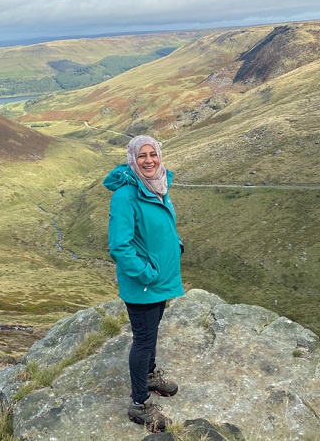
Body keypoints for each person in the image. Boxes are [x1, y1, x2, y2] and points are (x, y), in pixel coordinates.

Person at [103, 135, 184, 433]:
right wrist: (147, 274)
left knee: (151, 334)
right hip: (145, 284)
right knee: (144, 339)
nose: (149, 160)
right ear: (132, 160)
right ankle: (139, 404)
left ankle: (148, 375)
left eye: (153, 154)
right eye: (142, 156)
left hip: (159, 280)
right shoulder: (126, 196)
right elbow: (119, 246)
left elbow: (161, 226)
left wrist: (175, 245)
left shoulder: (158, 186)